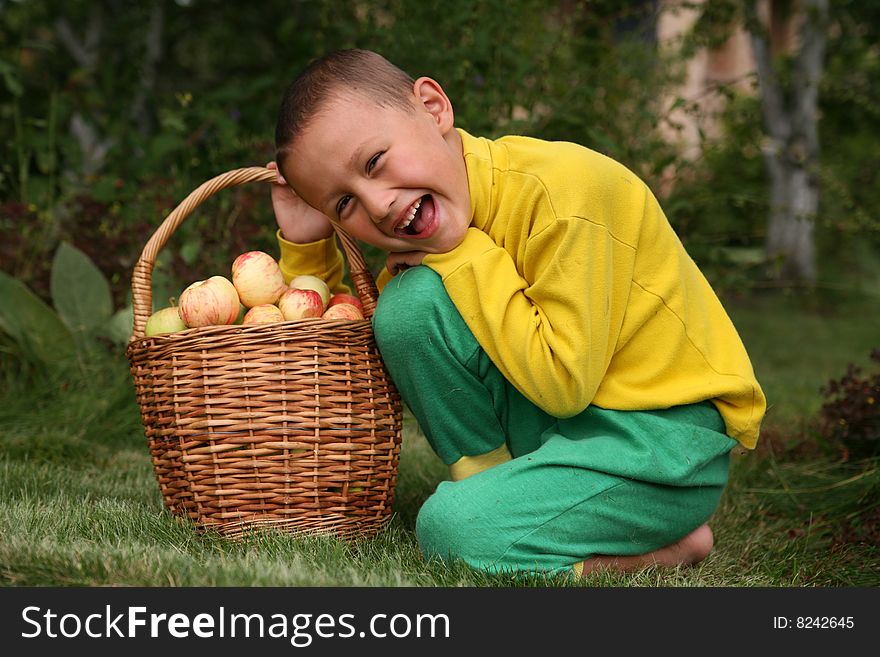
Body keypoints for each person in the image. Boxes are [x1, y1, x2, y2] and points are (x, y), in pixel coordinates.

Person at [268, 48, 766, 578]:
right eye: (344, 204)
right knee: (407, 310)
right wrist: (305, 248)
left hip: (659, 444)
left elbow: (563, 384)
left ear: (434, 108)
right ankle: (500, 493)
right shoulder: (433, 232)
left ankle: (662, 546)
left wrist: (466, 253)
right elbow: (355, 349)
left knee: (449, 532)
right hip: (569, 426)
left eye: (374, 163)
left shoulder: (566, 195)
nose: (376, 204)